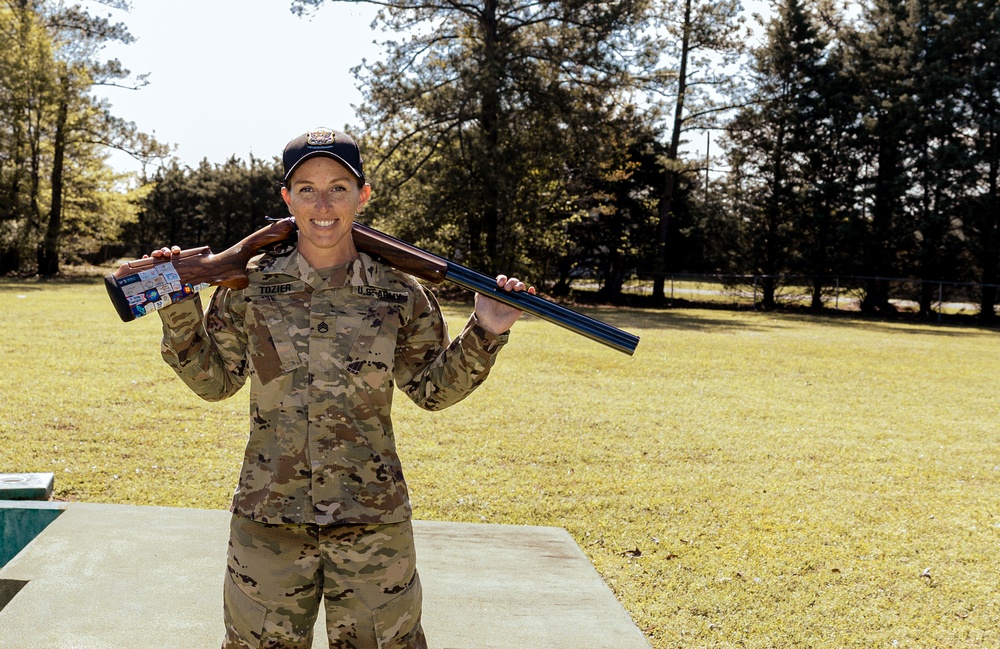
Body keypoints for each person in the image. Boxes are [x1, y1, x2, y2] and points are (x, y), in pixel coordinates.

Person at [150, 127, 534, 649]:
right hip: (269, 521)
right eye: (306, 188)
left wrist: (487, 330)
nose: (323, 203)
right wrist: (178, 304)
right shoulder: (248, 285)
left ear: (363, 194)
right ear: (287, 199)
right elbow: (214, 384)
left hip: (373, 523)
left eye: (338, 187)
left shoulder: (401, 291)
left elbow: (432, 390)